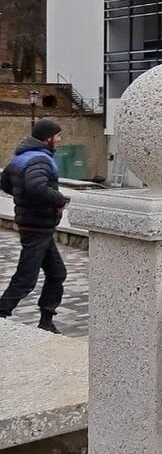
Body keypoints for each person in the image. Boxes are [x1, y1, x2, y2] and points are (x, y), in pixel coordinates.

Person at [0, 120, 70, 333]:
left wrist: (23, 199)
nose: (59, 140)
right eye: (57, 136)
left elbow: (5, 183)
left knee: (57, 273)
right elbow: (35, 186)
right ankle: (1, 313)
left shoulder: (22, 156)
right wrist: (60, 200)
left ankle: (46, 322)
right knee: (26, 278)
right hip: (37, 226)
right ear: (47, 138)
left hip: (37, 225)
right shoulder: (39, 159)